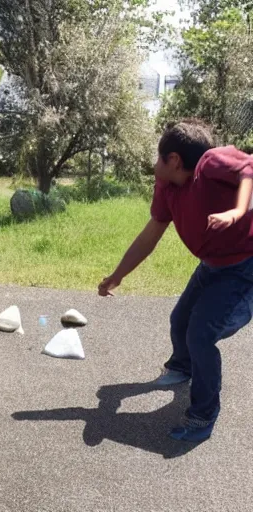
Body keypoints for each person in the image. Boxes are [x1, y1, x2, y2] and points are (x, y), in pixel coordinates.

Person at [98, 119, 253, 442]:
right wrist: (117, 276)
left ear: (174, 160)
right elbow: (149, 236)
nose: (154, 164)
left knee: (201, 333)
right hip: (212, 265)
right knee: (180, 320)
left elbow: (249, 170)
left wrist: (238, 210)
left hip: (244, 268)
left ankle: (202, 415)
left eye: (158, 157)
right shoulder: (167, 187)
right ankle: (183, 368)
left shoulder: (211, 162)